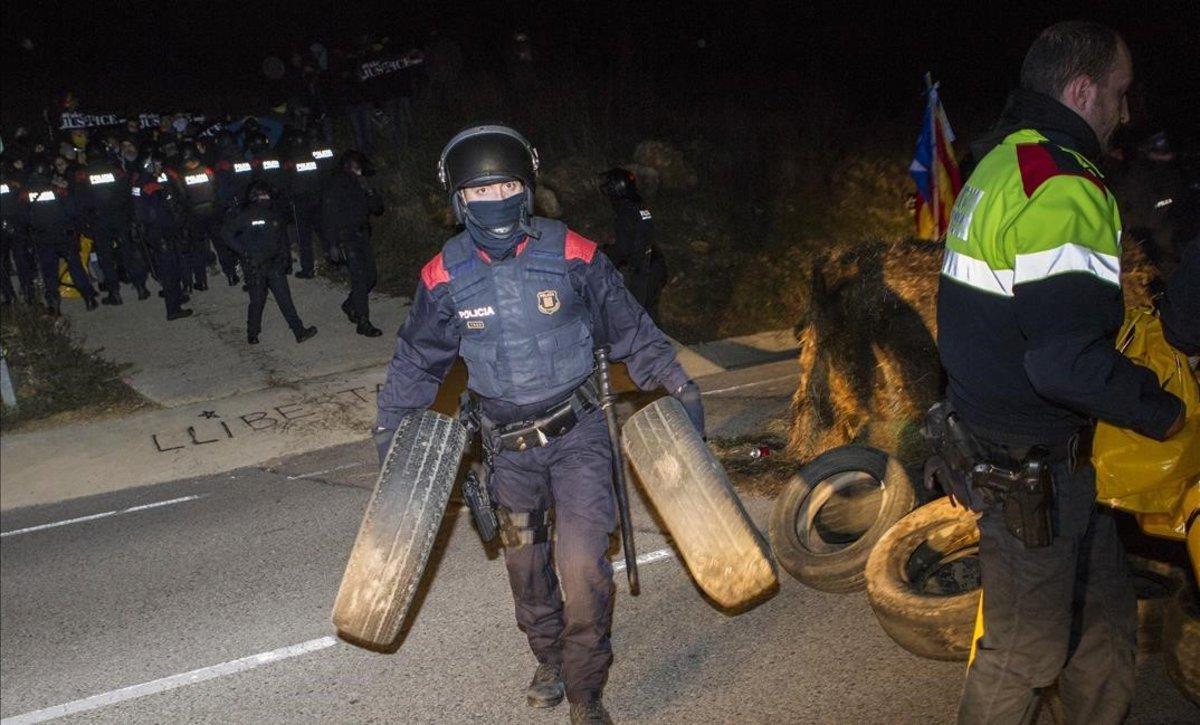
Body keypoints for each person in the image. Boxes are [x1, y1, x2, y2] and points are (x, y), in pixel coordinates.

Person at [374, 125, 705, 725]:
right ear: (456, 201)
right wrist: (391, 432)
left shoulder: (574, 255)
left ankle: (585, 689)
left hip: (579, 437)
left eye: (504, 184)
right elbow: (417, 361)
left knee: (582, 568)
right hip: (506, 453)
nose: (493, 199)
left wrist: (678, 382)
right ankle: (548, 656)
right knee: (527, 570)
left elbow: (631, 330)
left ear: (526, 188)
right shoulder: (442, 277)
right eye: (479, 191)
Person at [936, 21, 1187, 723]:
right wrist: (1161, 407)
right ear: (1082, 90)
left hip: (1050, 463)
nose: (1126, 111)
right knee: (1027, 653)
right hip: (1033, 470)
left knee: (1104, 638)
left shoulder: (1002, 161)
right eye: (1120, 93)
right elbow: (1064, 361)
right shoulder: (1062, 188)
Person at [221, 181, 317, 345]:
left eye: (268, 194)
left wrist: (285, 258)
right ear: (255, 196)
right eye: (264, 194)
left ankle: (299, 331)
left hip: (274, 264)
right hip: (254, 266)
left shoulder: (273, 213)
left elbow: (281, 238)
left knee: (285, 299)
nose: (267, 197)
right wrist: (244, 252)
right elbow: (226, 234)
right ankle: (252, 333)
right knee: (257, 301)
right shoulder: (244, 214)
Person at [22, 160, 98, 314]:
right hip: (63, 235)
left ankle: (54, 304)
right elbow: (72, 211)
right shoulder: (59, 190)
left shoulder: (26, 194)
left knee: (49, 272)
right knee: (75, 267)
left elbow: (24, 217)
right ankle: (89, 298)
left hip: (42, 238)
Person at [80, 140, 151, 304]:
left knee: (106, 258)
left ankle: (114, 293)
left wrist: (85, 223)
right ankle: (140, 287)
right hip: (119, 216)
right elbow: (127, 193)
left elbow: (80, 201)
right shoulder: (116, 171)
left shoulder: (83, 174)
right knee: (128, 252)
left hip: (98, 219)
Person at [322, 149, 383, 336]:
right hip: (346, 238)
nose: (360, 169)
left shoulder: (362, 183)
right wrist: (332, 244)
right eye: (357, 165)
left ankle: (350, 304)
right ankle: (363, 322)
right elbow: (329, 215)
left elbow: (378, 209)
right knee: (358, 278)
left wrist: (370, 192)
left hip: (362, 236)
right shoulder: (337, 183)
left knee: (370, 276)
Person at [597, 168, 668, 323]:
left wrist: (602, 258)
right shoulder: (639, 206)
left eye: (609, 187)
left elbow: (623, 248)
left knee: (635, 318)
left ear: (617, 188)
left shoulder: (625, 210)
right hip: (656, 264)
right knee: (649, 314)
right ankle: (659, 345)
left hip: (645, 270)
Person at [131, 154, 192, 321]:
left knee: (167, 268)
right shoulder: (152, 186)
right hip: (162, 233)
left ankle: (176, 298)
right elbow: (162, 212)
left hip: (153, 233)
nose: (160, 168)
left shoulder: (139, 184)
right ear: (148, 166)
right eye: (157, 165)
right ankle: (173, 308)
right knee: (170, 271)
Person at [1, 158, 38, 305]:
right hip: (17, 225)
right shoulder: (15, 184)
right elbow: (25, 203)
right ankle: (29, 294)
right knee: (21, 259)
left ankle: (9, 297)